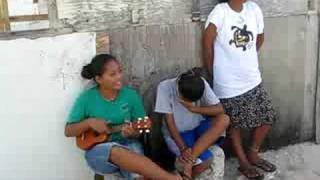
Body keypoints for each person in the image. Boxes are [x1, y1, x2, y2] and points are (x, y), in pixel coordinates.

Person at [64, 54, 182, 180]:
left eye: (120, 71)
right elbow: (68, 131)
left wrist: (133, 133)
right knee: (116, 150)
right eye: (112, 74)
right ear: (99, 79)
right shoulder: (86, 99)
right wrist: (88, 122)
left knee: (137, 169)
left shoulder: (130, 96)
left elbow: (141, 129)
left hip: (128, 144)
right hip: (98, 152)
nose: (119, 77)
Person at [203, 0, 277, 179]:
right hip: (227, 82)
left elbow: (260, 38)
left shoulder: (254, 9)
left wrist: (245, 57)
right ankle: (243, 162)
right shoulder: (219, 12)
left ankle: (253, 152)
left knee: (268, 117)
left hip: (252, 78)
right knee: (233, 124)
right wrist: (215, 73)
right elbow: (207, 46)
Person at [155, 69, 230, 179]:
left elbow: (219, 109)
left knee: (224, 119)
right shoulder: (164, 87)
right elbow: (170, 123)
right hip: (179, 134)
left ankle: (189, 162)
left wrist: (193, 109)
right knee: (206, 162)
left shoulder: (200, 82)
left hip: (197, 127)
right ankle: (186, 173)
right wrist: (183, 148)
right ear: (178, 89)